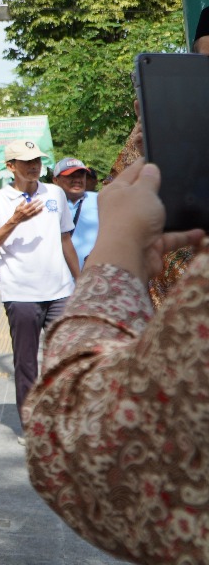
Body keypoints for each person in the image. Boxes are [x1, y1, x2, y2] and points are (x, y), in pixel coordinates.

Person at [23, 159, 206, 564]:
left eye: (83, 178)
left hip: (110, 295)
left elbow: (81, 440)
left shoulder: (100, 203)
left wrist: (115, 254)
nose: (78, 183)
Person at [0, 140, 80, 430]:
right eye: (26, 161)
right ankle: (32, 425)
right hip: (21, 294)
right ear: (11, 167)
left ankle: (64, 418)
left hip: (60, 291)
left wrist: (80, 281)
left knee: (66, 358)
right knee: (26, 364)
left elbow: (65, 240)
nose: (34, 165)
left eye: (37, 160)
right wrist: (14, 221)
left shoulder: (56, 193)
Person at [52, 157, 99, 268]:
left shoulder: (101, 200)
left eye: (81, 175)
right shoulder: (47, 204)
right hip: (57, 278)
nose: (77, 179)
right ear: (55, 180)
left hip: (93, 276)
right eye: (71, 176)